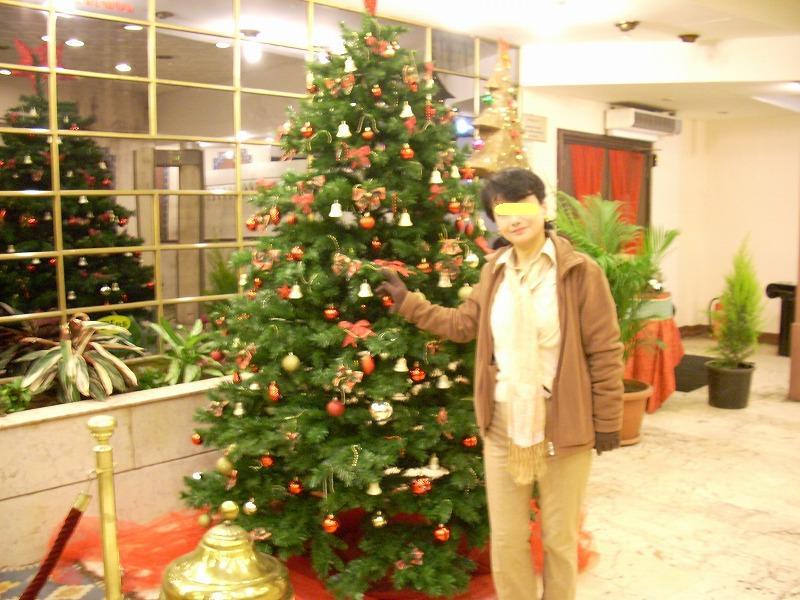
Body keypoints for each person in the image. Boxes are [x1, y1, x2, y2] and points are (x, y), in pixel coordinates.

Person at [377, 168, 624, 600]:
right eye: (501, 211)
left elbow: (604, 350)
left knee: (559, 538)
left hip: (563, 419)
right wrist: (409, 304)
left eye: (521, 205)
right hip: (503, 421)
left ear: (542, 206)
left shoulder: (580, 272)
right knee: (508, 539)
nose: (513, 218)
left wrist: (608, 419)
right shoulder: (495, 271)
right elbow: (463, 324)